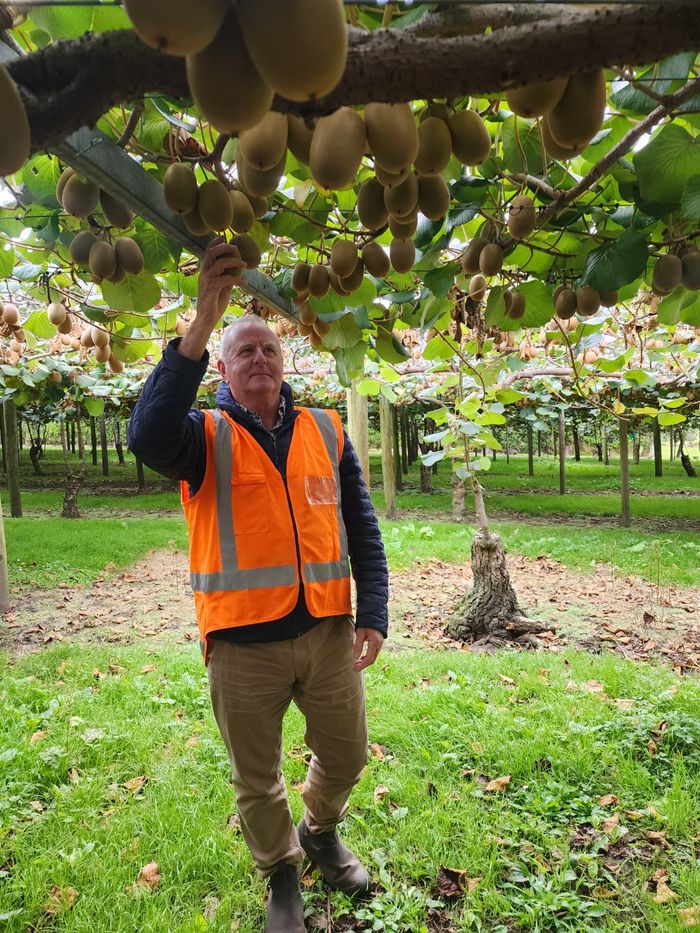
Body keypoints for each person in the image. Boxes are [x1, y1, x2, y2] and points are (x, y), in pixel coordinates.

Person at [128, 239, 389, 933]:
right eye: (244, 351)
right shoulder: (199, 436)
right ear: (222, 366)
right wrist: (201, 322)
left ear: (285, 362)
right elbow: (146, 435)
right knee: (256, 776)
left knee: (347, 752)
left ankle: (322, 829)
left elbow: (361, 525)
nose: (260, 360)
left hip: (329, 631)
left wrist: (376, 610)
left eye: (270, 349)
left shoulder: (326, 429)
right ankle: (281, 873)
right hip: (244, 642)